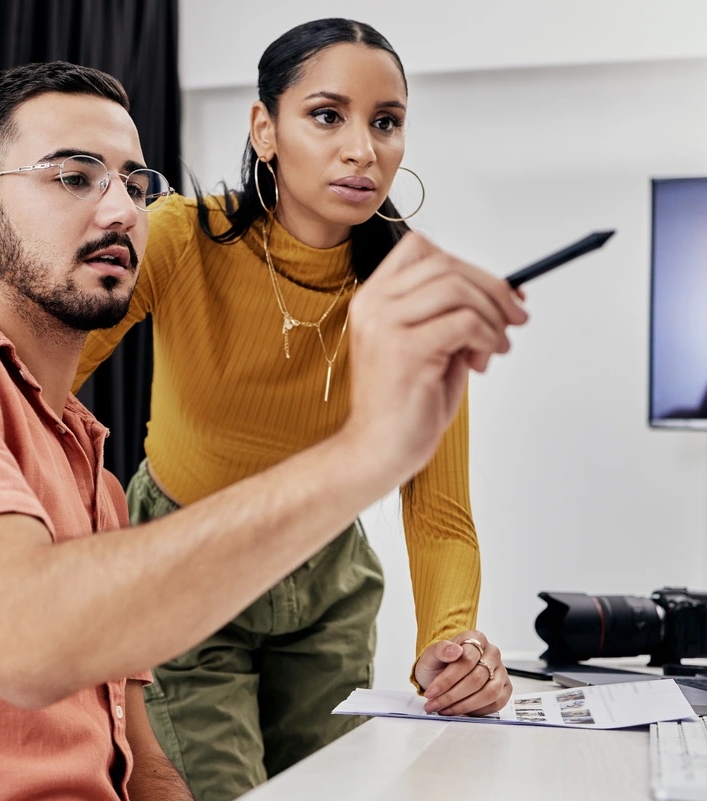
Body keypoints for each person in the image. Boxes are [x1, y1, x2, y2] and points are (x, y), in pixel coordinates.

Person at [0, 60, 526, 801]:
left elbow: (141, 760)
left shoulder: (92, 477)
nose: (121, 209)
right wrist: (364, 451)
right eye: (73, 177)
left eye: (135, 183)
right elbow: (27, 640)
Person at [73, 18, 516, 800]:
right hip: (184, 569)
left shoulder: (414, 293)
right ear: (264, 129)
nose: (363, 148)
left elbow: (439, 510)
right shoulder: (180, 239)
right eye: (327, 115)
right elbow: (42, 377)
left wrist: (448, 642)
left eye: (386, 122)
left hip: (328, 585)